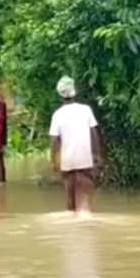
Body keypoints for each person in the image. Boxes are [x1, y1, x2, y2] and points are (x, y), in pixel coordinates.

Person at [49, 76, 104, 213]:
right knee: (87, 198)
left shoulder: (58, 115)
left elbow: (54, 140)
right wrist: (97, 155)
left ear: (59, 94)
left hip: (67, 161)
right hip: (85, 158)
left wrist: (53, 160)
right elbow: (94, 134)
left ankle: (71, 220)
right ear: (74, 91)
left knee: (70, 200)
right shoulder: (86, 110)